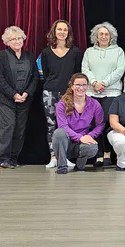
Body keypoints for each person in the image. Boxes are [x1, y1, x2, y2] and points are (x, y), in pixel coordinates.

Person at [0, 26, 39, 169]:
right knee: (9, 126)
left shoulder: (30, 56)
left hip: (24, 99)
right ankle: (3, 159)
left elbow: (35, 78)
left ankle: (13, 158)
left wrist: (26, 93)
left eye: (19, 38)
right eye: (13, 39)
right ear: (7, 42)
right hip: (6, 99)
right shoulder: (2, 56)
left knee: (20, 129)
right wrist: (13, 94)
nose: (17, 41)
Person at [82, 22, 125, 168]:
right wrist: (94, 83)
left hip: (112, 92)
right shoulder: (89, 52)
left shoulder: (118, 51)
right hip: (91, 92)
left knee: (108, 122)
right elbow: (85, 69)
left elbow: (120, 71)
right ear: (96, 36)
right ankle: (99, 155)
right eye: (101, 34)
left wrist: (104, 83)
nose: (104, 36)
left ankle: (108, 153)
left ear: (111, 36)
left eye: (107, 34)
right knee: (95, 124)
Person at [40, 20, 83, 169]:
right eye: (59, 29)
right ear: (54, 31)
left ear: (68, 33)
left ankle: (65, 157)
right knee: (51, 125)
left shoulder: (76, 52)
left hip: (69, 94)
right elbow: (46, 74)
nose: (62, 32)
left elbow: (77, 73)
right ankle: (53, 156)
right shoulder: (46, 52)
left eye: (65, 30)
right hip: (50, 93)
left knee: (67, 126)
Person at [52, 73, 105, 174]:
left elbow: (100, 124)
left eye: (84, 85)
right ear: (72, 86)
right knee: (59, 133)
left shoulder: (94, 104)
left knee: (92, 147)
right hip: (66, 142)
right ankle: (62, 167)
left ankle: (80, 166)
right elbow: (63, 126)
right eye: (77, 85)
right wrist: (80, 137)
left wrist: (89, 136)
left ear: (87, 86)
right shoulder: (62, 104)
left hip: (82, 143)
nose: (81, 88)